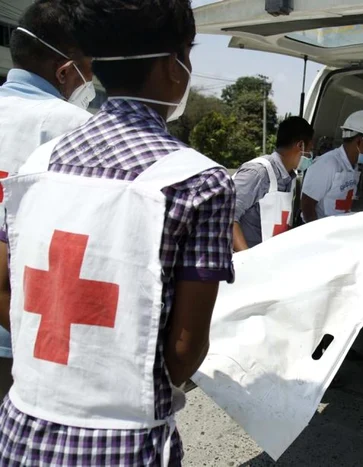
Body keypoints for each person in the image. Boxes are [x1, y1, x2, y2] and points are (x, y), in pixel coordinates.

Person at [0, 0, 235, 465]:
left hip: (21, 430)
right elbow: (184, 353)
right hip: (125, 446)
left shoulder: (34, 165)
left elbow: (5, 285)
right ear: (174, 66)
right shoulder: (199, 181)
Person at [0, 0, 95, 401]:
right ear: (64, 70)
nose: (90, 82)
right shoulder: (76, 128)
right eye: (89, 70)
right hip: (27, 333)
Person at [233, 116, 314, 251]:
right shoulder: (258, 173)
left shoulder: (290, 179)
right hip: (245, 263)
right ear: (300, 145)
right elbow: (226, 216)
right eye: (310, 149)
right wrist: (247, 258)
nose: (311, 156)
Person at [300, 110, 363, 223]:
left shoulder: (353, 166)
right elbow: (307, 204)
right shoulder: (328, 164)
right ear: (359, 141)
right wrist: (319, 236)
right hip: (322, 234)